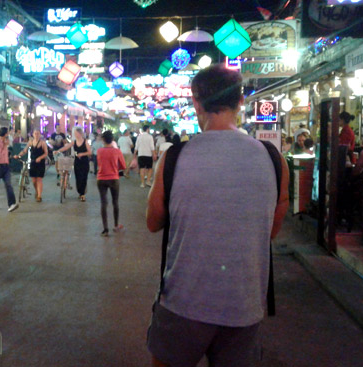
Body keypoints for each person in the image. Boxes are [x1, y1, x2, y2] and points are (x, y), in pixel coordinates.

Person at [146, 64, 289, 367]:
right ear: (240, 102)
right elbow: (271, 230)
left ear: (196, 102)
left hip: (183, 301)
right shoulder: (273, 159)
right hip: (245, 303)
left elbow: (152, 222)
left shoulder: (174, 157)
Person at [96, 130, 126, 236]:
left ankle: (105, 229)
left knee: (103, 203)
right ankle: (116, 225)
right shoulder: (117, 151)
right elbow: (123, 165)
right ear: (112, 139)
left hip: (101, 179)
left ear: (103, 139)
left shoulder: (99, 151)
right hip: (114, 178)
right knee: (115, 202)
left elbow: (98, 163)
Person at [56, 127, 92, 202]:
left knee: (84, 178)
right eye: (74, 133)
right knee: (78, 178)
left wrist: (82, 154)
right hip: (77, 162)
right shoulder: (74, 142)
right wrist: (58, 151)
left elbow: (90, 152)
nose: (75, 135)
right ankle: (80, 191)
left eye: (76, 133)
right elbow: (66, 147)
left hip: (84, 162)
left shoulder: (85, 142)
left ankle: (82, 194)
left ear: (80, 133)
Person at [14, 130, 48, 202]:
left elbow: (46, 153)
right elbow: (24, 150)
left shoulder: (43, 143)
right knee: (33, 180)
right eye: (35, 133)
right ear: (33, 134)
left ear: (40, 135)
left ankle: (39, 196)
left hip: (40, 163)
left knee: (39, 179)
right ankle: (37, 191)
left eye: (38, 134)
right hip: (33, 162)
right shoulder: (31, 142)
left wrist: (40, 158)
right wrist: (18, 155)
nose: (36, 135)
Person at [0, 127, 19, 212]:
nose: (9, 134)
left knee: (8, 184)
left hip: (5, 166)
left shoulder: (5, 142)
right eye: (8, 133)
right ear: (5, 134)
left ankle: (11, 204)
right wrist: (5, 145)